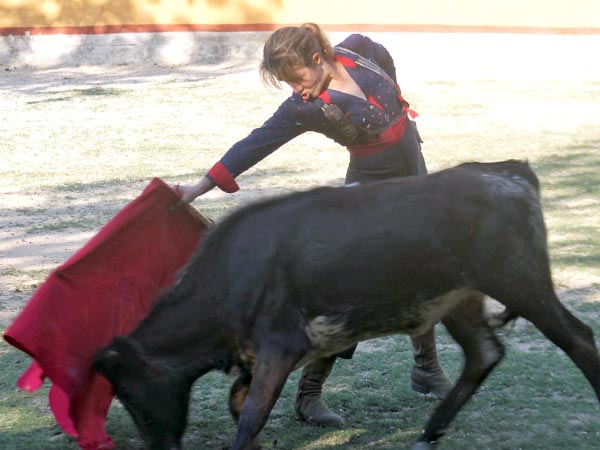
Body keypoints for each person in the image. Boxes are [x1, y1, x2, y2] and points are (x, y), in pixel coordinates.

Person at [176, 23, 453, 427]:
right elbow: (256, 142)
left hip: (414, 179)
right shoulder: (303, 107)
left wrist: (397, 97)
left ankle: (426, 368)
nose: (297, 89)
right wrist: (199, 188)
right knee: (354, 289)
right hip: (369, 192)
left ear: (318, 58)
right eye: (288, 83)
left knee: (427, 266)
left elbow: (378, 50)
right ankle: (309, 395)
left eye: (297, 77)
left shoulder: (356, 51)